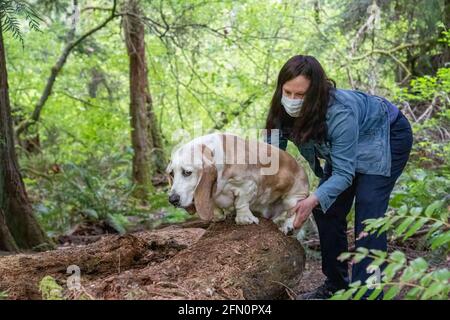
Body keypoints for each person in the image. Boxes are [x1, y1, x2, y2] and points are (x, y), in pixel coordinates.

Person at [264, 55, 413, 299]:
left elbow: (344, 173)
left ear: (316, 93)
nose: (292, 100)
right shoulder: (279, 110)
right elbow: (270, 160)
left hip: (385, 134)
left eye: (300, 95)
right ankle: (336, 284)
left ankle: (370, 292)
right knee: (327, 208)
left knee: (369, 215)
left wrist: (311, 199)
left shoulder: (338, 113)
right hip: (347, 146)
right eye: (287, 92)